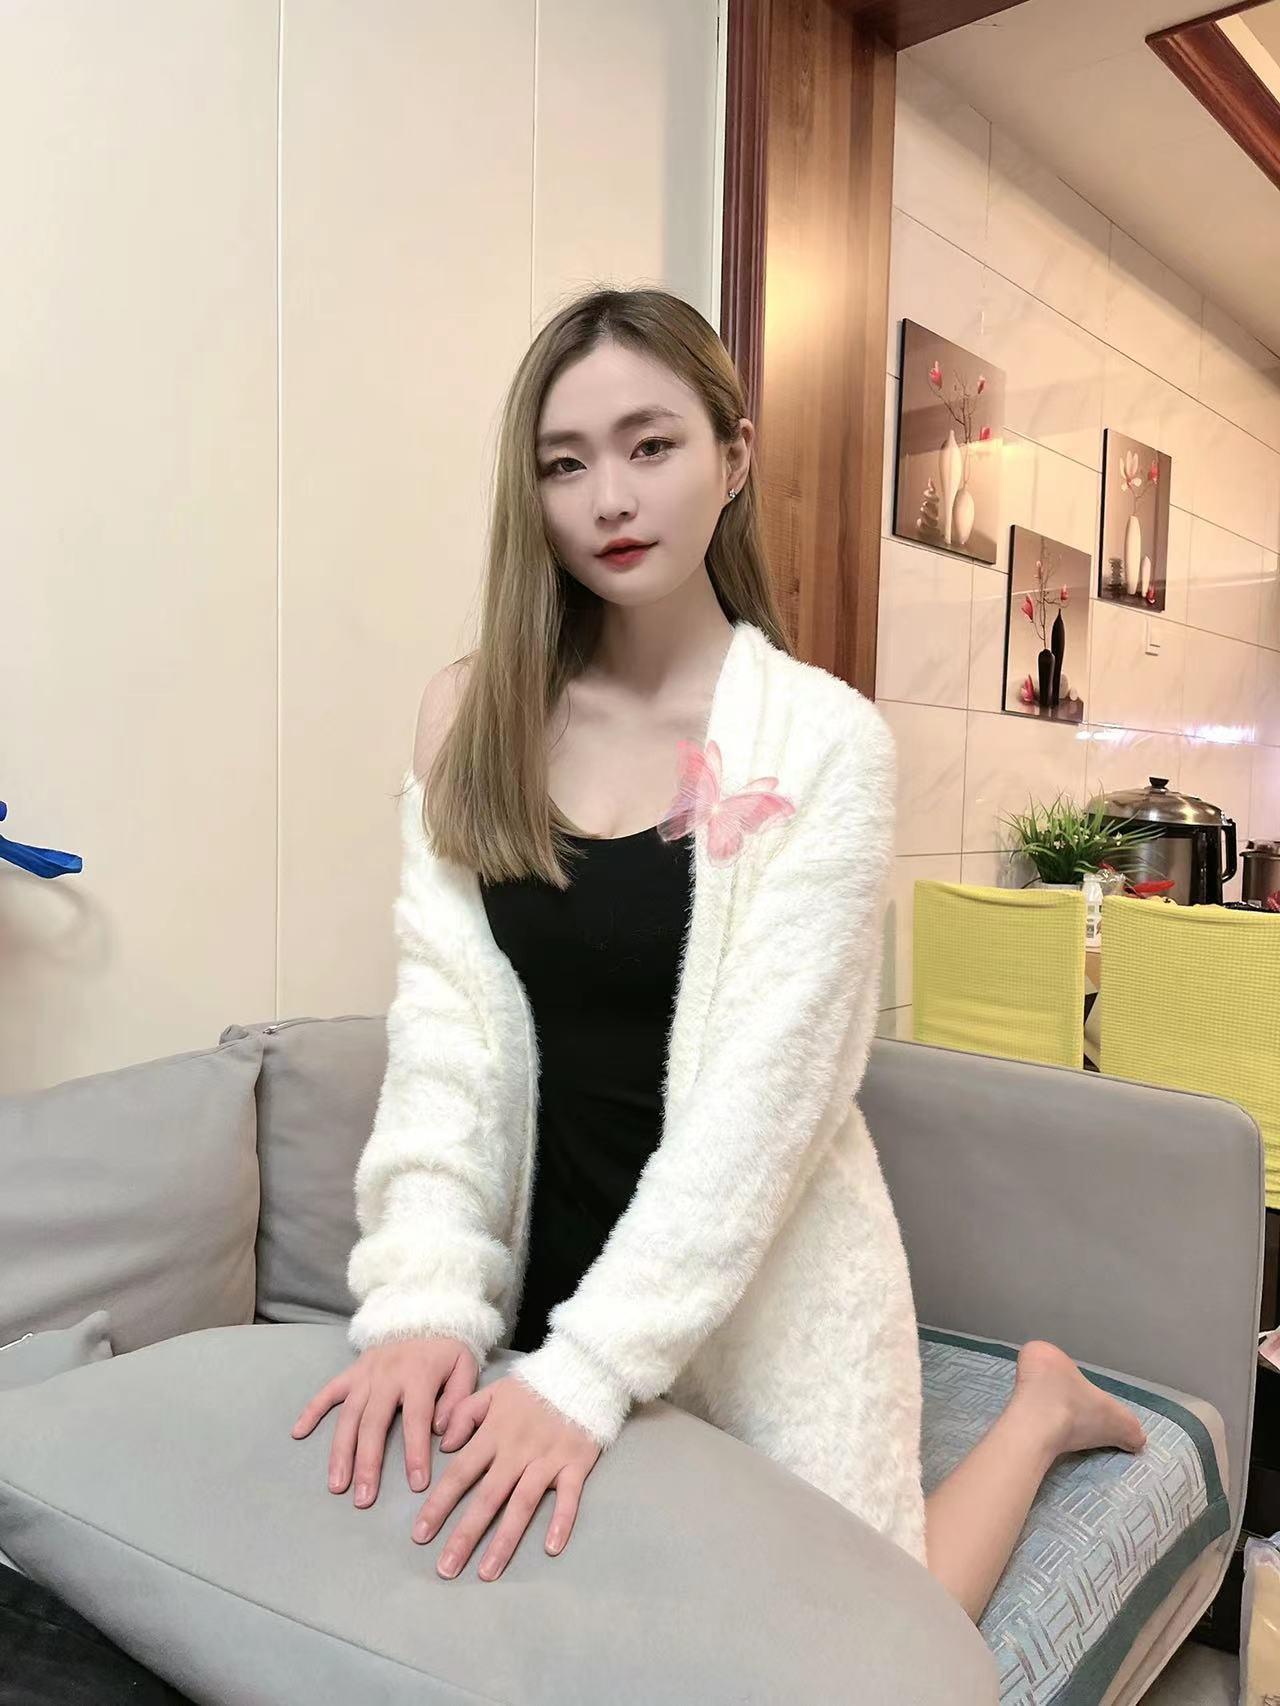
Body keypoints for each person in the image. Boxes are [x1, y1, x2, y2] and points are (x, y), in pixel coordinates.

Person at [291, 286, 1147, 1621]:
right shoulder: (468, 715)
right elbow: (446, 1040)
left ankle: (1042, 1408)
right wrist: (420, 1299)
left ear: (733, 457)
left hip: (758, 1289)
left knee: (885, 1650)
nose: (609, 498)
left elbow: (767, 1099)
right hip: (548, 1267)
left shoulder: (824, 741)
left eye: (652, 445)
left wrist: (589, 1373)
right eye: (563, 464)